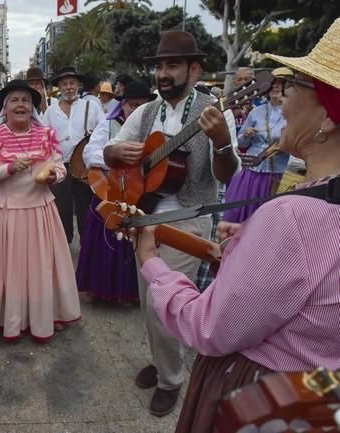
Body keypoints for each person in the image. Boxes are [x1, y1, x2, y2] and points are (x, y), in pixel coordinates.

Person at [134, 19, 340, 433]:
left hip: (271, 398)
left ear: (329, 118)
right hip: (322, 392)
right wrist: (253, 244)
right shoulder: (146, 111)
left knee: (167, 313)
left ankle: (169, 376)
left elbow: (210, 328)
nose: (280, 100)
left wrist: (151, 262)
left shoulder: (292, 218)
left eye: (295, 85)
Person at [103, 30, 239, 416]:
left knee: (164, 303)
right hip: (143, 215)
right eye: (160, 65)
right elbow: (105, 152)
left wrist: (223, 143)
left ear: (194, 69)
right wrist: (115, 151)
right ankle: (164, 360)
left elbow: (226, 174)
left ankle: (171, 379)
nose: (163, 73)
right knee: (147, 299)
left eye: (172, 65)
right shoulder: (146, 112)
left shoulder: (216, 110)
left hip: (187, 221)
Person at [0, 80, 81, 340]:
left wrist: (53, 176)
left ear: (33, 107)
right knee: (7, 269)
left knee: (41, 267)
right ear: (4, 108)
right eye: (15, 100)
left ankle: (44, 315)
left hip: (39, 212)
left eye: (26, 100)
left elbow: (60, 167)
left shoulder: (47, 135)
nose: (21, 105)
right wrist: (7, 169)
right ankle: (6, 319)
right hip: (2, 213)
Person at [78, 81, 157, 304]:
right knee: (103, 241)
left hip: (139, 194)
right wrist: (113, 157)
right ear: (122, 105)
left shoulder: (154, 129)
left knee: (135, 240)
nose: (136, 110)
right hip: (109, 191)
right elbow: (88, 155)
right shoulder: (108, 125)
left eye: (142, 105)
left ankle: (131, 293)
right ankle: (99, 289)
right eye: (132, 105)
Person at [43, 66, 106, 244]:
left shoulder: (91, 106)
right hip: (60, 167)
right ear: (59, 88)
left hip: (85, 168)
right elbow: (44, 138)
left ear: (78, 85)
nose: (69, 87)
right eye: (65, 84)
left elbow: (104, 131)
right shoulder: (50, 111)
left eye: (72, 83)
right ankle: (63, 244)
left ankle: (88, 246)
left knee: (86, 208)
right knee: (61, 208)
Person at [223, 68, 293, 223]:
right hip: (251, 173)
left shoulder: (293, 114)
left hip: (276, 175)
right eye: (272, 83)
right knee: (238, 218)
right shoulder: (257, 112)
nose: (275, 87)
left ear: (287, 87)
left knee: (267, 222)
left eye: (280, 84)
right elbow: (240, 143)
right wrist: (246, 135)